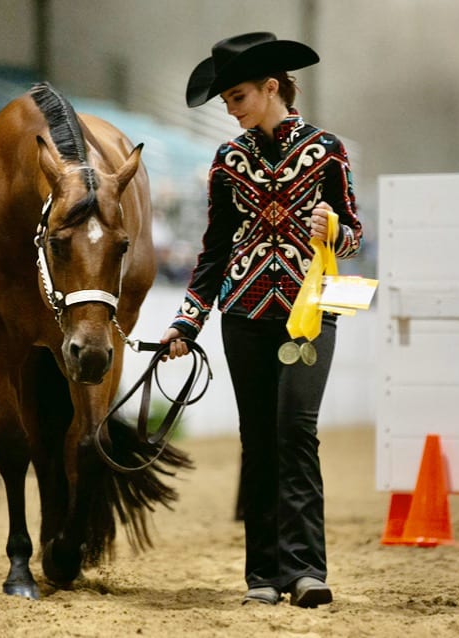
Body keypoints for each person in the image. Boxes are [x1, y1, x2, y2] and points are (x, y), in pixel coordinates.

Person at [161, 32, 363, 608]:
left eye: (238, 95)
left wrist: (336, 233)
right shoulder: (227, 161)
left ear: (272, 86)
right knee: (258, 440)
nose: (231, 108)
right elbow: (213, 251)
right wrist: (187, 323)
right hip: (244, 314)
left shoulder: (328, 151)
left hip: (313, 310)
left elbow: (354, 233)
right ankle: (263, 576)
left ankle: (305, 570)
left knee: (295, 432)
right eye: (226, 99)